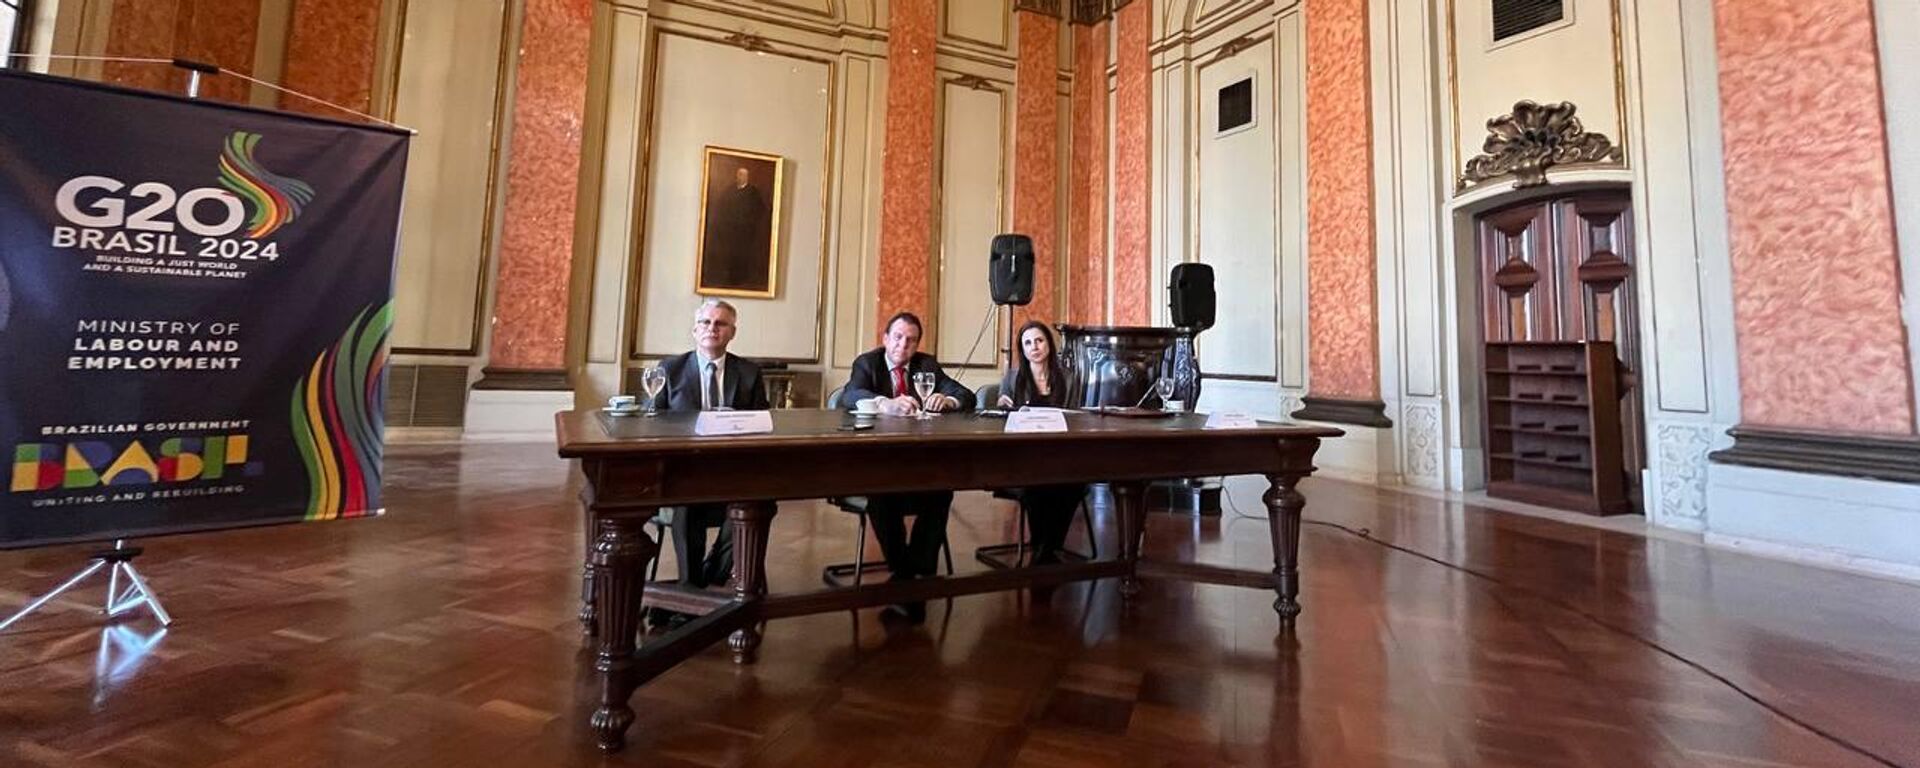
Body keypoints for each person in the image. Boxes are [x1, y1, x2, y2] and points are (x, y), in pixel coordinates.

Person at [842, 311, 975, 622]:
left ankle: (918, 574)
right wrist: (882, 403)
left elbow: (965, 395)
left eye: (911, 340)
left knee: (941, 491)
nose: (904, 345)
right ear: (886, 339)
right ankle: (907, 576)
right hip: (876, 465)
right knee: (882, 495)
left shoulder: (926, 365)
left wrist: (948, 400)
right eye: (898, 337)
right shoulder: (868, 363)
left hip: (918, 466)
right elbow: (851, 395)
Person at [647, 299, 770, 622]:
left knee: (759, 503)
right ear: (694, 329)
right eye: (705, 322)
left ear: (732, 332)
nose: (712, 329)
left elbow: (764, 422)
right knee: (689, 504)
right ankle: (689, 587)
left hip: (732, 469)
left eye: (720, 324)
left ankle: (701, 585)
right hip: (685, 470)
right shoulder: (669, 369)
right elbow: (652, 422)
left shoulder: (748, 372)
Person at [996, 321, 1086, 564]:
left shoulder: (1068, 378)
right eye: (1027, 343)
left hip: (1061, 455)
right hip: (1022, 457)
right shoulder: (1013, 379)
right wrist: (1004, 409)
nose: (1034, 347)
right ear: (1022, 350)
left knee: (1076, 484)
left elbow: (1075, 418)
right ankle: (1044, 549)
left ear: (1049, 344)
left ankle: (1047, 548)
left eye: (1039, 340)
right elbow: (1000, 424)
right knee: (1038, 484)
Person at [703, 165, 770, 290]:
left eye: (744, 175)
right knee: (730, 256)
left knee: (743, 257)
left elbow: (760, 210)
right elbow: (722, 208)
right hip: (731, 232)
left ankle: (741, 279)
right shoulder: (730, 191)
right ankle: (731, 279)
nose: (741, 177)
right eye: (739, 175)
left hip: (745, 233)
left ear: (747, 177)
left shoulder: (753, 192)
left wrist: (749, 221)